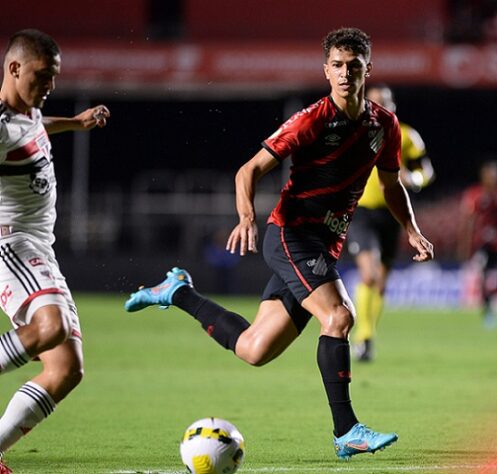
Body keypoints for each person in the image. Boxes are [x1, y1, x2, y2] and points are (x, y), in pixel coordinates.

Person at [125, 27, 434, 460]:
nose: (346, 74)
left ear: (368, 69)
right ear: (326, 70)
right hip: (291, 235)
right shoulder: (312, 119)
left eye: (354, 66)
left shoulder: (385, 125)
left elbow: (391, 184)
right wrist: (247, 217)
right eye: (338, 66)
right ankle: (346, 432)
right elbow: (248, 170)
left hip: (324, 245)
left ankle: (178, 291)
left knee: (255, 349)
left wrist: (411, 228)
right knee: (340, 317)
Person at [0, 29, 110, 473]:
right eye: (42, 76)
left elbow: (32, 129)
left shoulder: (28, 114)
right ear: (14, 68)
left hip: (39, 248)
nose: (49, 86)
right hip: (10, 243)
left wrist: (76, 123)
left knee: (66, 369)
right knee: (52, 326)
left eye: (54, 78)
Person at [347, 84, 435, 362]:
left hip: (392, 215)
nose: (380, 107)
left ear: (393, 106)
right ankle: (362, 338)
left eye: (385, 102)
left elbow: (426, 170)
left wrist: (415, 180)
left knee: (381, 284)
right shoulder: (353, 133)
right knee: (369, 276)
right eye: (373, 103)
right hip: (361, 212)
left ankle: (368, 336)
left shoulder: (406, 136)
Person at [458, 160, 497, 329]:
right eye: (490, 174)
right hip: (482, 245)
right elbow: (468, 223)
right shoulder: (475, 195)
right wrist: (465, 247)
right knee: (483, 276)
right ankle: (487, 310)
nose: (493, 178)